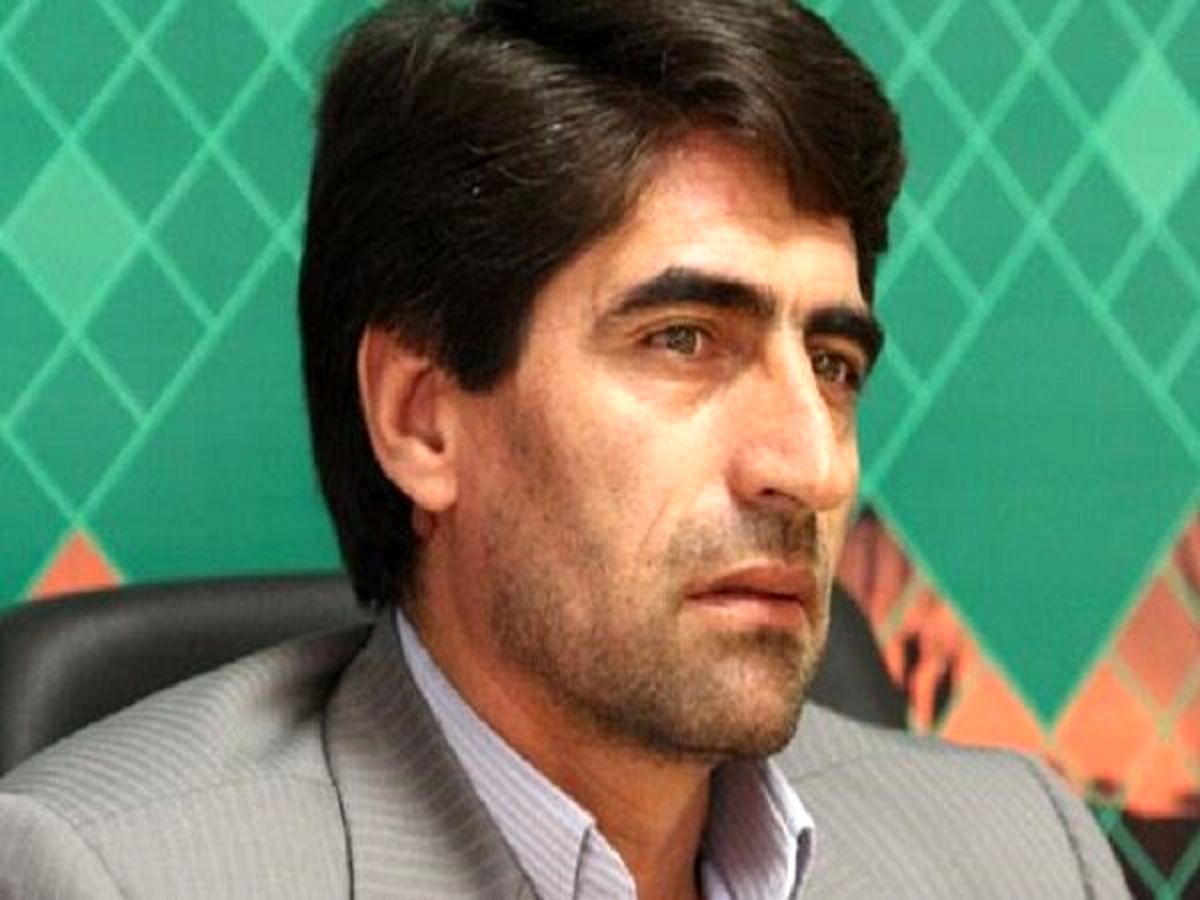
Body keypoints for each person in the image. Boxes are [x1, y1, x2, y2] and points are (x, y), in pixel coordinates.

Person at [0, 1, 1128, 897]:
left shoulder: (1023, 853)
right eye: (683, 340)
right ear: (421, 419)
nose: (812, 468)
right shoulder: (110, 876)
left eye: (832, 364)